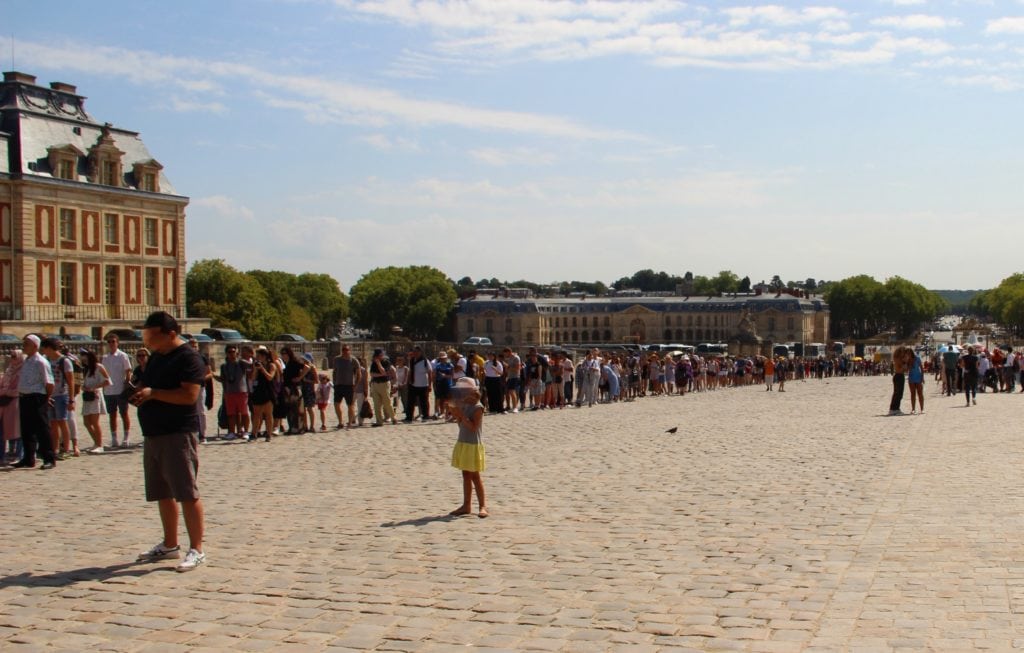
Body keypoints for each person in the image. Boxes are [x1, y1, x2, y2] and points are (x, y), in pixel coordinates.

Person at [132, 311, 207, 572]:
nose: (147, 340)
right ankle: (170, 543)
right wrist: (139, 390)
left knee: (186, 491)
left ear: (170, 334)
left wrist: (154, 394)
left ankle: (197, 548)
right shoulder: (156, 357)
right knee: (162, 491)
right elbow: (148, 382)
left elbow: (189, 395)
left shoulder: (189, 358)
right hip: (154, 432)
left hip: (177, 433)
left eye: (152, 335)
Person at [448, 377, 487, 519]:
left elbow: (473, 428)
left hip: (473, 444)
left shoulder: (478, 407)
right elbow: (462, 426)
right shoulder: (465, 405)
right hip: (464, 442)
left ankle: (482, 506)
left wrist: (462, 416)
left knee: (475, 476)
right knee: (465, 475)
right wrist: (456, 415)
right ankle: (466, 505)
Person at [14, 335, 55, 468]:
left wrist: (46, 397)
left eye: (27, 343)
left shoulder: (41, 362)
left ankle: (49, 458)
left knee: (42, 429)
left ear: (35, 346)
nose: (24, 346)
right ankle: (28, 458)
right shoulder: (26, 360)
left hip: (37, 397)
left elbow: (49, 383)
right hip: (25, 397)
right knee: (26, 429)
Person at [41, 337, 75, 459]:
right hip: (51, 395)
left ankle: (65, 449)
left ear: (49, 348)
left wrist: (71, 399)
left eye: (44, 348)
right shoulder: (46, 360)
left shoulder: (64, 361)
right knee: (53, 424)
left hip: (62, 394)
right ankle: (54, 449)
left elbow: (71, 381)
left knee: (62, 422)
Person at [101, 334, 134, 448]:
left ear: (117, 342)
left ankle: (126, 437)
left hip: (120, 389)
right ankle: (114, 438)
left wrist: (126, 383)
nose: (111, 344)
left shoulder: (123, 356)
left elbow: (128, 370)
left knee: (124, 413)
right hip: (109, 390)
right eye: (109, 342)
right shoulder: (105, 358)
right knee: (112, 415)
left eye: (113, 341)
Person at [213, 345, 251, 441]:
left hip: (241, 391)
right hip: (229, 392)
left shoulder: (241, 363)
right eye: (229, 352)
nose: (232, 354)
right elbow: (223, 379)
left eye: (233, 352)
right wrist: (213, 375)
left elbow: (251, 366)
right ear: (226, 353)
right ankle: (231, 432)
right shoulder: (224, 366)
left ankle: (245, 431)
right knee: (231, 414)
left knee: (244, 413)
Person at [79, 348, 111, 453]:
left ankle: (99, 444)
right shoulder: (87, 368)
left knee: (94, 421)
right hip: (87, 396)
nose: (82, 357)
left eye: (83, 355)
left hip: (95, 396)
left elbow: (108, 381)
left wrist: (94, 387)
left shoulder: (99, 367)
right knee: (86, 422)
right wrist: (84, 387)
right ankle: (96, 442)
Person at [0, 350, 24, 464]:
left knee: (17, 429)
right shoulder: (9, 370)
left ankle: (19, 454)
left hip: (15, 403)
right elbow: (2, 383)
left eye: (15, 356)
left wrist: (6, 391)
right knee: (3, 429)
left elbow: (19, 390)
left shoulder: (22, 371)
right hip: (4, 403)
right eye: (12, 356)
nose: (13, 358)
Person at [332, 345, 361, 430]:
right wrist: (334, 382)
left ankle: (350, 422)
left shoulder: (353, 360)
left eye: (347, 350)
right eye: (343, 350)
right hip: (338, 385)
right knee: (336, 404)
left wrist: (355, 385)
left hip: (349, 385)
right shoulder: (337, 359)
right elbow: (334, 371)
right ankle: (340, 422)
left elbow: (359, 374)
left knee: (350, 405)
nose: (345, 351)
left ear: (350, 350)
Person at [368, 348, 396, 427]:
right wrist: (379, 374)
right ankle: (379, 421)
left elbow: (384, 372)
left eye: (381, 354)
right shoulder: (373, 363)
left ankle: (393, 418)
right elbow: (372, 374)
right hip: (375, 384)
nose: (381, 356)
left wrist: (379, 364)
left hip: (384, 384)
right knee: (377, 404)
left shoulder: (386, 362)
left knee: (387, 402)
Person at [404, 346, 432, 422]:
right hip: (413, 384)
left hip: (423, 384)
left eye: (417, 351)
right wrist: (408, 381)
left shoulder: (425, 361)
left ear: (420, 352)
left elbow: (430, 373)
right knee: (410, 402)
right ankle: (409, 417)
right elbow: (410, 371)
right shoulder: (411, 360)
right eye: (414, 351)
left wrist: (430, 385)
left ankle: (425, 416)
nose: (415, 353)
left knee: (424, 402)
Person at [888, 345, 912, 416]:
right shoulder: (897, 359)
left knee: (899, 394)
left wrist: (906, 362)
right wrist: (904, 363)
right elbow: (900, 369)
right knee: (897, 393)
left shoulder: (899, 359)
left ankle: (896, 408)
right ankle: (893, 409)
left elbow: (906, 369)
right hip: (898, 376)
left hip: (900, 376)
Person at [907, 349, 924, 414]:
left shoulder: (917, 358)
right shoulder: (907, 360)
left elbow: (921, 368)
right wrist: (908, 363)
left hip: (918, 377)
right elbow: (907, 370)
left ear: (911, 353)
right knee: (912, 394)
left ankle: (922, 409)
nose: (908, 355)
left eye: (908, 353)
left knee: (920, 394)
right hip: (911, 378)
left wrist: (922, 377)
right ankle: (913, 409)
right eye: (907, 354)